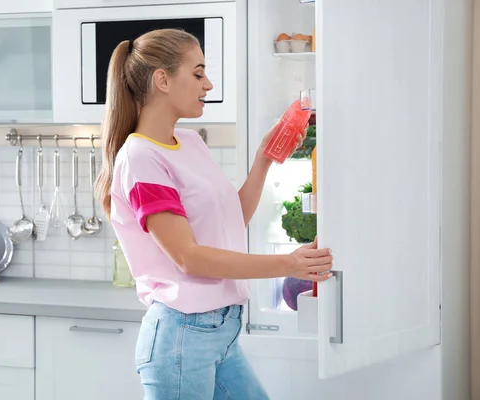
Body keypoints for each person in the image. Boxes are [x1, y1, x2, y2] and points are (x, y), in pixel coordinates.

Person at [94, 28, 333, 400]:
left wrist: (264, 159)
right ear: (162, 80)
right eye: (198, 73)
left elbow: (230, 219)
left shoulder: (188, 142)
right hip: (181, 339)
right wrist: (288, 264)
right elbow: (189, 257)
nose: (208, 84)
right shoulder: (140, 157)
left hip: (221, 332)